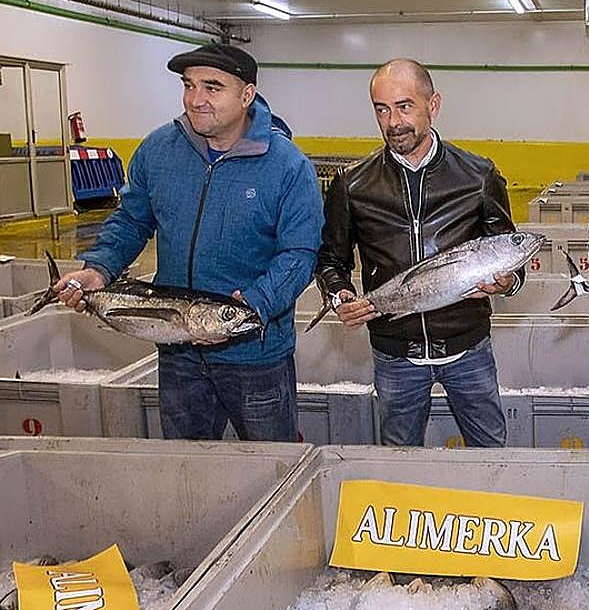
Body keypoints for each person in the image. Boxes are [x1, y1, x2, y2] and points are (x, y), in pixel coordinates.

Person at [55, 42, 322, 441]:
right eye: (189, 85)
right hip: (178, 354)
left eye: (212, 87)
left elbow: (299, 254)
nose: (196, 100)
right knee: (187, 467)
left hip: (255, 355)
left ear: (246, 95)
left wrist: (249, 308)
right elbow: (131, 220)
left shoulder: (287, 166)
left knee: (273, 463)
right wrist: (99, 268)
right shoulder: (158, 151)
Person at [315, 58, 522, 447]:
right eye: (382, 109)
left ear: (434, 104)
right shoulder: (353, 184)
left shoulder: (478, 175)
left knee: (491, 455)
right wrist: (338, 294)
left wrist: (509, 282)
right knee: (399, 461)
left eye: (405, 106)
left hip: (468, 349)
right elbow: (330, 260)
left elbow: (509, 251)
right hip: (396, 356)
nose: (393, 122)